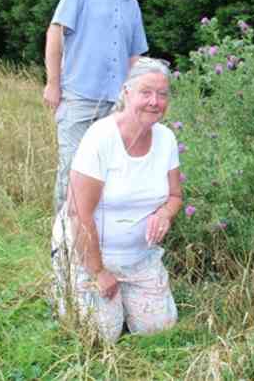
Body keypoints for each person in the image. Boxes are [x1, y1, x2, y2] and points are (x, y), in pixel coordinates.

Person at [51, 57, 181, 343]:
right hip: (89, 255)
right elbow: (77, 214)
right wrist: (98, 272)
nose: (154, 102)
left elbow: (175, 196)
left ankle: (124, 300)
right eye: (145, 92)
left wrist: (164, 214)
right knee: (99, 337)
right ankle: (66, 282)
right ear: (126, 92)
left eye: (162, 94)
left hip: (139, 257)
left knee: (159, 331)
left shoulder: (167, 139)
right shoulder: (100, 137)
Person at [43, 0, 149, 215]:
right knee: (71, 170)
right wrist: (53, 84)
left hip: (116, 107)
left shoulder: (133, 5)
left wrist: (133, 101)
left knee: (108, 174)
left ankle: (94, 238)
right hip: (78, 99)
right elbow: (55, 32)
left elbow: (135, 58)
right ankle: (63, 244)